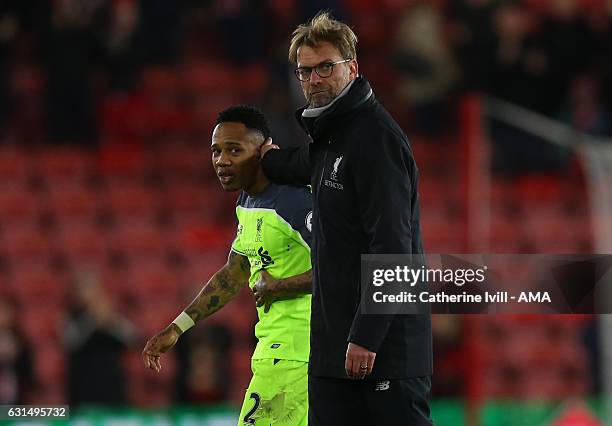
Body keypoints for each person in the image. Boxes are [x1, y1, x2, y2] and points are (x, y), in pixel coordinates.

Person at [260, 12, 433, 425]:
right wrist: (266, 159)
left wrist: (366, 337)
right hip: (333, 351)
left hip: (383, 353)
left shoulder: (376, 139)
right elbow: (306, 164)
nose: (315, 79)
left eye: (326, 68)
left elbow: (394, 249)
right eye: (305, 71)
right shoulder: (332, 135)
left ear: (352, 68)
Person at [142, 105, 313, 426]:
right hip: (279, 351)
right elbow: (234, 272)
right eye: (216, 151)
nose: (222, 160)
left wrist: (277, 287)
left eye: (235, 150)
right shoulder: (248, 201)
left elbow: (340, 269)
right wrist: (178, 327)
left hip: (295, 352)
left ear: (263, 150)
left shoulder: (295, 202)